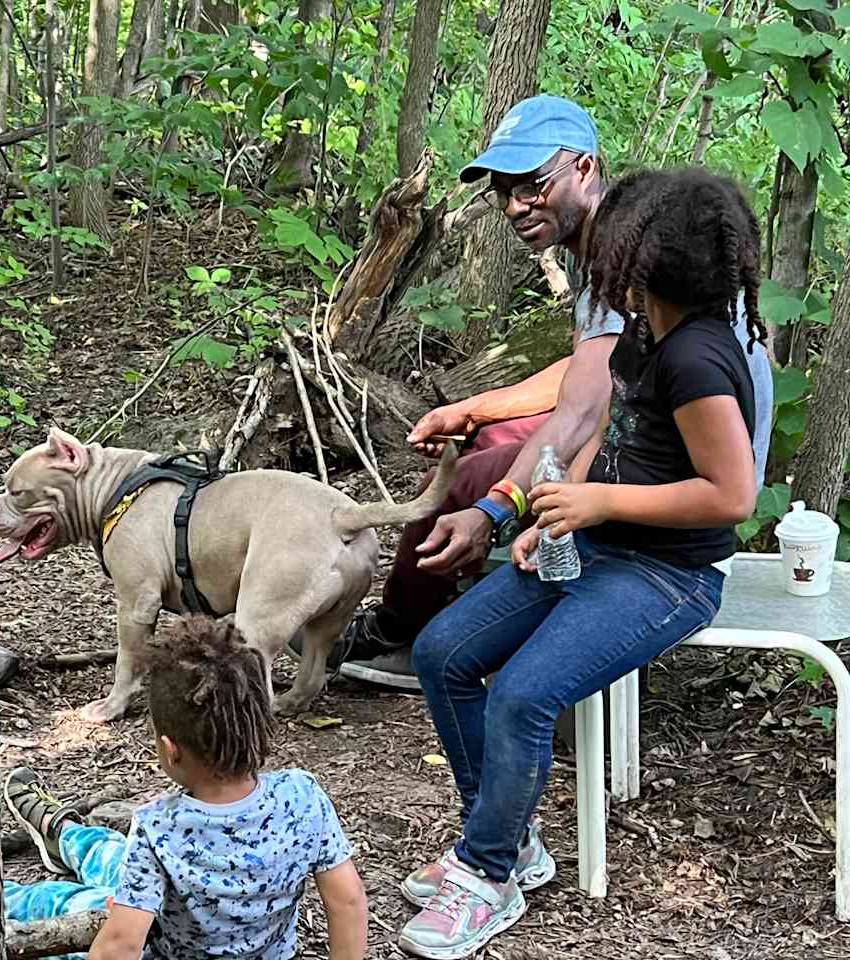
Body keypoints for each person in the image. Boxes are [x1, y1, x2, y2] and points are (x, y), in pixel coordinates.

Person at [397, 167, 764, 958]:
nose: (596, 257)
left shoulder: (699, 357)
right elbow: (608, 432)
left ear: (647, 258)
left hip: (669, 576)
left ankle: (486, 874)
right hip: (599, 544)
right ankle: (508, 839)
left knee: (524, 695)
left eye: (613, 245)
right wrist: (550, 508)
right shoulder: (645, 328)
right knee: (443, 653)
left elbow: (732, 495)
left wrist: (601, 507)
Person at [318, 95, 773, 690]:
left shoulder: (639, 257)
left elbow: (586, 411)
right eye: (503, 190)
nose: (516, 204)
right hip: (643, 439)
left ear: (584, 168)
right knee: (487, 442)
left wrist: (497, 508)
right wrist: (475, 410)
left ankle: (405, 632)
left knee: (471, 479)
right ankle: (444, 626)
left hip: (682, 474)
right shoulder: (605, 245)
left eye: (533, 183)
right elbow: (593, 373)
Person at [0, 614, 368, 960]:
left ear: (170, 749)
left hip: (159, 941)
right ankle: (58, 831)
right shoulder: (304, 796)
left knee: (65, 903)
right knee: (115, 855)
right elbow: (345, 901)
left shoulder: (160, 827)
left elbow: (122, 945)